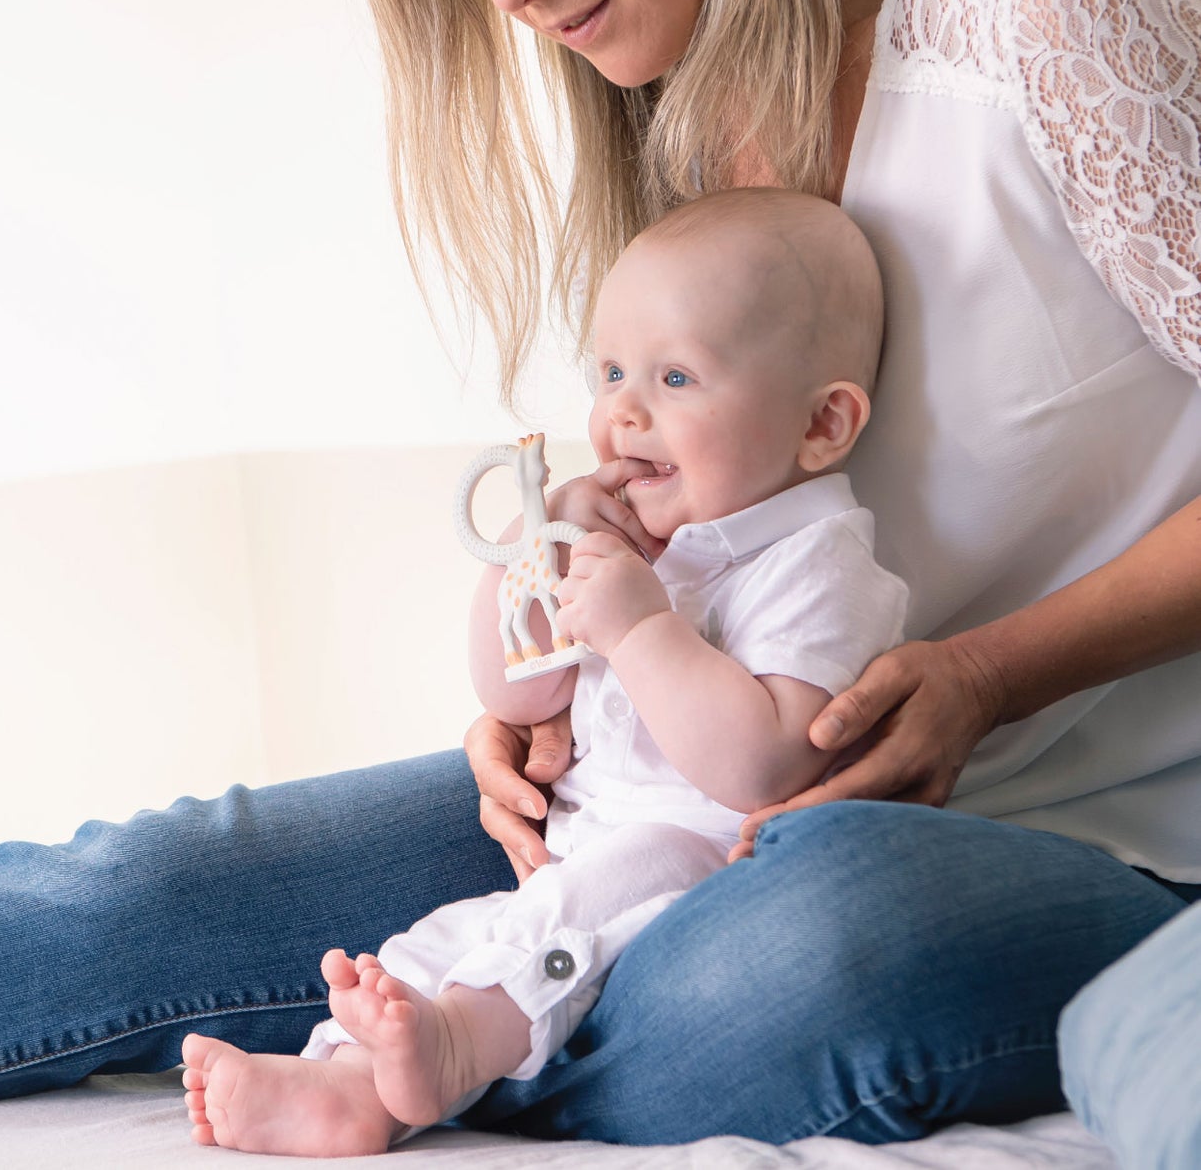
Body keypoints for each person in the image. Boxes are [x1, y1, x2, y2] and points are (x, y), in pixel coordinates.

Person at [0, 0, 1198, 1153]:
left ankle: (431, 1051)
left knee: (806, 956)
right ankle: (436, 1037)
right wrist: (545, 706)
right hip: (695, 803)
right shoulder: (679, 109)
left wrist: (983, 677)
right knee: (148, 890)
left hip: (1093, 835)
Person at [180, 191, 908, 1154]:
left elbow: (763, 766)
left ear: (821, 423)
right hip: (574, 854)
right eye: (610, 372)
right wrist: (533, 556)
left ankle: (439, 1057)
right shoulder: (646, 542)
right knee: (444, 943)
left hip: (703, 861)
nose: (623, 412)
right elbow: (517, 693)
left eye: (676, 375)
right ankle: (348, 1082)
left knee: (566, 914)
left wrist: (641, 629)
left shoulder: (821, 559)